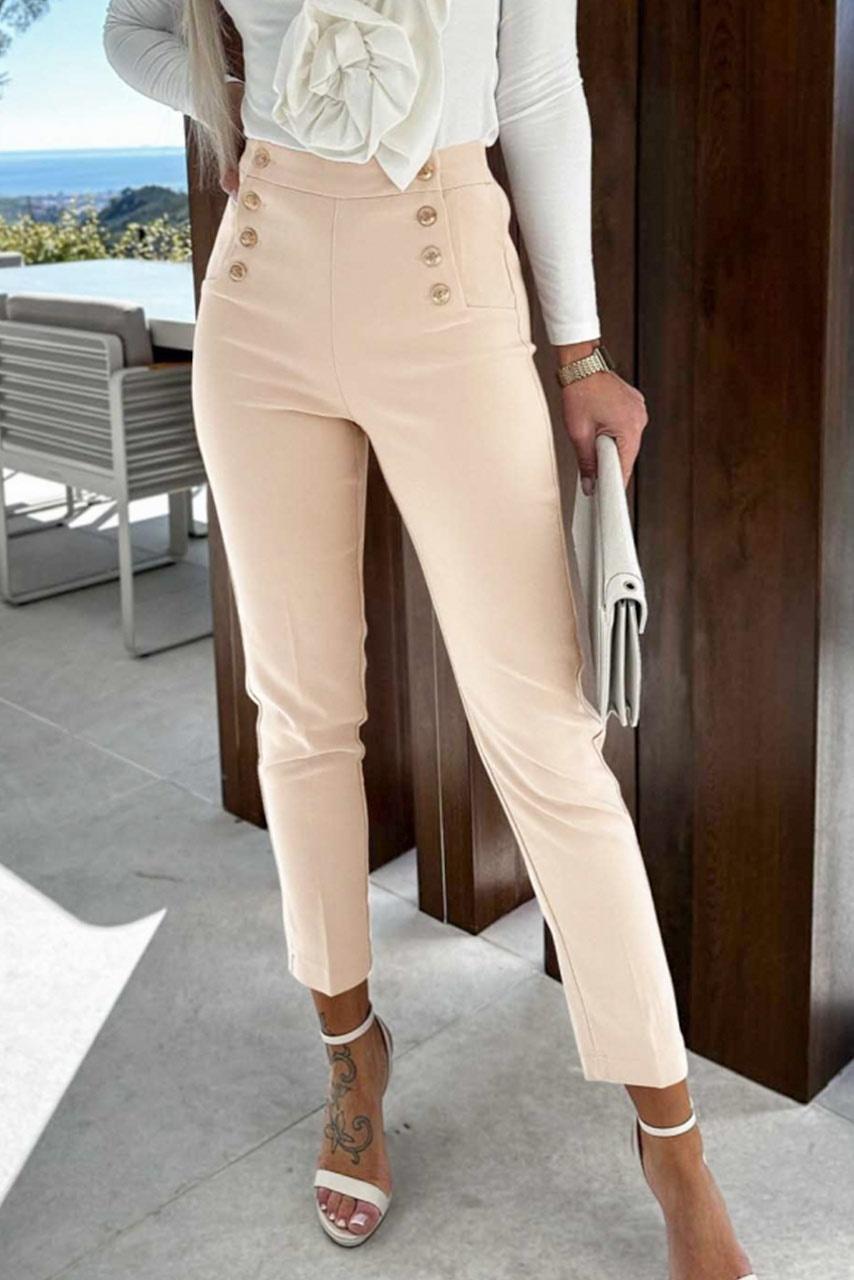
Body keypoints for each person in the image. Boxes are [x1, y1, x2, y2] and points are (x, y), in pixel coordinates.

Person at [103, 0, 757, 1272]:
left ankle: (672, 1139)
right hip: (260, 278)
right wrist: (230, 95)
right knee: (301, 715)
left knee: (546, 737)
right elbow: (130, 30)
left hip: (443, 262)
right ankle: (351, 1052)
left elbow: (537, 92)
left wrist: (578, 354)